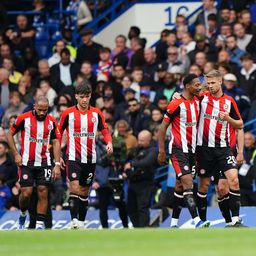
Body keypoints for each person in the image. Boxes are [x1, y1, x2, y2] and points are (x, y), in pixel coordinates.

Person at [158, 74, 210, 228]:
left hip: (192, 151)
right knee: (188, 183)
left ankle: (173, 224)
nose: (198, 87)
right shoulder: (175, 104)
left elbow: (209, 90)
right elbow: (162, 129)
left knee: (180, 186)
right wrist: (161, 151)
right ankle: (197, 221)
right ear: (187, 86)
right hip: (178, 149)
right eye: (196, 84)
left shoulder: (196, 100)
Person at [59, 80, 113, 229]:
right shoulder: (68, 113)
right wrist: (57, 156)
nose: (84, 100)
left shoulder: (96, 113)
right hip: (72, 157)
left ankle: (81, 223)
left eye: (87, 96)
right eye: (82, 96)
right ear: (76, 96)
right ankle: (74, 220)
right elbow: (58, 133)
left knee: (84, 191)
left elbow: (105, 130)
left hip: (90, 158)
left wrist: (109, 142)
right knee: (74, 187)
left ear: (90, 96)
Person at [196, 70, 244, 227]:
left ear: (220, 81)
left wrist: (228, 118)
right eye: (208, 83)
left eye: (213, 83)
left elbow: (240, 124)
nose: (210, 86)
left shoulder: (229, 102)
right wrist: (176, 96)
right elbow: (186, 98)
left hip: (224, 149)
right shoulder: (202, 98)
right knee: (216, 188)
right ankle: (210, 222)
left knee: (234, 180)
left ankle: (236, 220)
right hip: (204, 149)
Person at [7, 96, 61, 230]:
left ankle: (39, 226)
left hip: (44, 162)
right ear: (35, 107)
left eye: (45, 110)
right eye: (40, 110)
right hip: (26, 162)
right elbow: (9, 135)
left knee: (43, 191)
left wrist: (57, 164)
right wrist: (16, 154)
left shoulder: (52, 121)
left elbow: (55, 142)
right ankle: (23, 213)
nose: (42, 113)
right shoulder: (23, 118)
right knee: (26, 193)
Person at [123, 130, 157, 227]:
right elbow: (127, 160)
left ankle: (143, 228)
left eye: (142, 140)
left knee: (142, 208)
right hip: (133, 183)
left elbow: (147, 162)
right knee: (130, 208)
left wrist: (132, 164)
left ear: (149, 140)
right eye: (139, 140)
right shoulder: (136, 150)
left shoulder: (153, 150)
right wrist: (126, 171)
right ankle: (137, 227)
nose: (139, 142)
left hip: (145, 183)